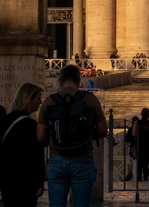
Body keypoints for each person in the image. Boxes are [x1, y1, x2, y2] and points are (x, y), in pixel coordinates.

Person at [37, 65, 106, 207]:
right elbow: (102, 130)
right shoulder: (90, 99)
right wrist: (85, 136)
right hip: (83, 156)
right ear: (79, 81)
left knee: (56, 205)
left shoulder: (49, 101)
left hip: (57, 157)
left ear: (60, 81)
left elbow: (40, 136)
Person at [0, 83, 45, 207]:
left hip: (6, 176)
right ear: (29, 98)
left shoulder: (6, 121)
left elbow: (0, 144)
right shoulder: (32, 126)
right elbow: (37, 156)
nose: (40, 102)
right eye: (38, 98)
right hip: (26, 179)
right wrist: (39, 182)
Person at [132, 109, 149, 182]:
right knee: (146, 164)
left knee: (139, 164)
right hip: (147, 145)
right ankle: (145, 178)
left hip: (139, 145)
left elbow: (133, 134)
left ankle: (138, 179)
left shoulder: (137, 123)